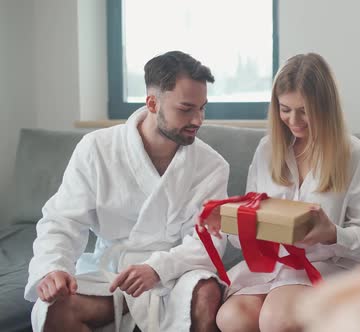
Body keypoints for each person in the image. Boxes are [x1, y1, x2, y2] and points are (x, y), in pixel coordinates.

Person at [24, 50, 229, 332]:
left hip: (175, 275)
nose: (198, 119)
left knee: (207, 293)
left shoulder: (212, 166)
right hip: (113, 275)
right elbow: (63, 219)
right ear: (153, 103)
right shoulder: (96, 149)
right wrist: (53, 268)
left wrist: (157, 269)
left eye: (202, 107)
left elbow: (209, 242)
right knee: (52, 308)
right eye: (186, 109)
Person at [201, 53, 360, 332]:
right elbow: (249, 231)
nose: (294, 120)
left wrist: (332, 233)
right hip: (273, 265)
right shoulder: (267, 149)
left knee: (277, 319)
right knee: (231, 318)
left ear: (325, 107)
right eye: (285, 109)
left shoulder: (352, 153)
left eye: (304, 110)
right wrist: (227, 224)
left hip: (329, 265)